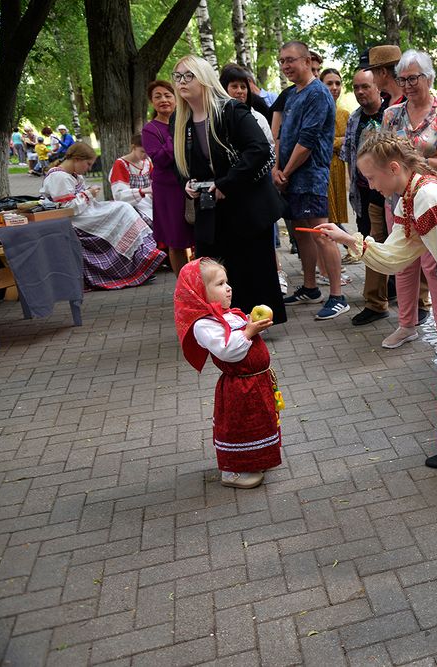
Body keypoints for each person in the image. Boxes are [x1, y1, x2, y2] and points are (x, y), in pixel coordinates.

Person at [317, 131, 437, 469]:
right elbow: (395, 256)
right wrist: (347, 238)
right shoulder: (413, 195)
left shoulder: (428, 196)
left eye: (372, 177)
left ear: (393, 168)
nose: (371, 186)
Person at [171, 55, 287, 326]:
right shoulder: (180, 118)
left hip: (247, 205)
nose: (182, 82)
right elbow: (180, 162)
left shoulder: (231, 110)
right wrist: (186, 183)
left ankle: (255, 321)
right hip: (211, 207)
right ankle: (224, 320)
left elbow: (259, 149)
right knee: (213, 266)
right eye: (177, 77)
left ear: (204, 79)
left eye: (188, 76)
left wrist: (226, 183)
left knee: (251, 267)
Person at [174, 258, 282, 489]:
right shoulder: (204, 325)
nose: (229, 288)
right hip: (240, 388)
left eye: (227, 282)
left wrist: (251, 324)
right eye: (220, 284)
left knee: (258, 423)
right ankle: (233, 471)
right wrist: (248, 332)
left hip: (257, 381)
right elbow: (227, 351)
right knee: (240, 427)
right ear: (200, 293)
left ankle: (256, 459)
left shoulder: (229, 314)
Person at [380, 50, 437, 349]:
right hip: (398, 202)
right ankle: (406, 325)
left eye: (414, 78)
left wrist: (415, 163)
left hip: (432, 200)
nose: (408, 85)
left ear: (429, 78)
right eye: (403, 79)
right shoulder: (391, 114)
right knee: (402, 263)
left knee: (434, 266)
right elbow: (382, 156)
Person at [274, 41, 349, 321]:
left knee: (322, 233)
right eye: (282, 61)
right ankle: (310, 287)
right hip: (290, 176)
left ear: (307, 61)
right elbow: (281, 136)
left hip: (311, 176)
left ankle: (338, 296)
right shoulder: (292, 94)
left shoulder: (318, 93)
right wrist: (277, 169)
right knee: (301, 232)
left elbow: (307, 141)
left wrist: (285, 172)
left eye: (290, 60)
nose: (285, 66)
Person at [40, 142, 164, 289]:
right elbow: (67, 208)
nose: (89, 168)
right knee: (122, 209)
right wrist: (88, 194)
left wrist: (88, 194)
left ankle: (140, 259)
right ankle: (137, 260)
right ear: (77, 159)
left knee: (123, 208)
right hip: (74, 221)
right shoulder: (59, 177)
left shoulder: (72, 175)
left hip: (82, 214)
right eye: (88, 164)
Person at [342, 68, 390, 327]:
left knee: (402, 243)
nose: (360, 92)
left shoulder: (392, 114)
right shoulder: (355, 118)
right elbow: (349, 155)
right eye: (356, 87)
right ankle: (375, 302)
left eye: (365, 86)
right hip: (365, 193)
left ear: (378, 87)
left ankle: (416, 303)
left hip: (392, 194)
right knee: (370, 243)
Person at [142, 79, 194, 274]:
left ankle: (203, 280)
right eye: (158, 96)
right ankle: (183, 284)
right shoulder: (150, 129)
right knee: (176, 240)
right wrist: (176, 134)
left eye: (167, 95)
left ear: (176, 98)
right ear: (152, 102)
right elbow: (161, 159)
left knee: (199, 235)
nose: (163, 100)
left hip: (192, 185)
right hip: (168, 190)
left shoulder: (189, 120)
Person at [321, 68, 351, 229]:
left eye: (338, 83)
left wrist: (338, 142)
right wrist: (341, 141)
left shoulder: (345, 114)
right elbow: (320, 142)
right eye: (329, 83)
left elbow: (350, 142)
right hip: (322, 167)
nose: (334, 87)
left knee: (336, 216)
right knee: (324, 215)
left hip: (339, 167)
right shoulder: (317, 111)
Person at [220, 64, 274, 145]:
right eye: (234, 86)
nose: (240, 91)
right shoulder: (217, 118)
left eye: (243, 87)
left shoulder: (258, 118)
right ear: (224, 89)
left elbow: (270, 147)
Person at [109, 133, 153, 224]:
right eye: (143, 151)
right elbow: (119, 195)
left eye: (148, 151)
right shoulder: (121, 164)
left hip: (147, 203)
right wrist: (143, 191)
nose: (146, 155)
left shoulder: (147, 162)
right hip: (130, 206)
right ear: (133, 147)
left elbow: (153, 182)